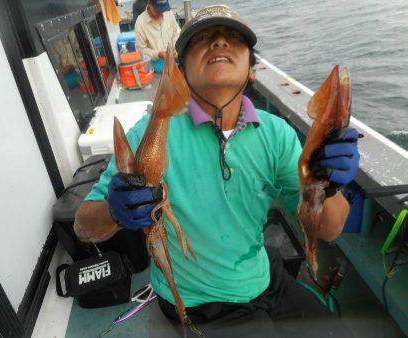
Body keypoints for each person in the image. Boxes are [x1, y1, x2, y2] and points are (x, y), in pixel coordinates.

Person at [75, 5, 360, 337]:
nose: (220, 43)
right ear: (180, 71)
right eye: (204, 38)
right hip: (199, 305)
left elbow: (329, 230)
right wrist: (115, 209)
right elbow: (83, 226)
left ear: (252, 70)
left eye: (234, 38)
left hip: (264, 279)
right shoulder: (148, 134)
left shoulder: (277, 135)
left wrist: (329, 185)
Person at [134, 0, 180, 72]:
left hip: (174, 60)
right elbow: (140, 50)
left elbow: (177, 33)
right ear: (149, 2)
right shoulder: (140, 22)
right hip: (155, 65)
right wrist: (158, 54)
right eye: (158, 8)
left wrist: (176, 48)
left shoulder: (168, 13)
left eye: (163, 8)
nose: (161, 12)